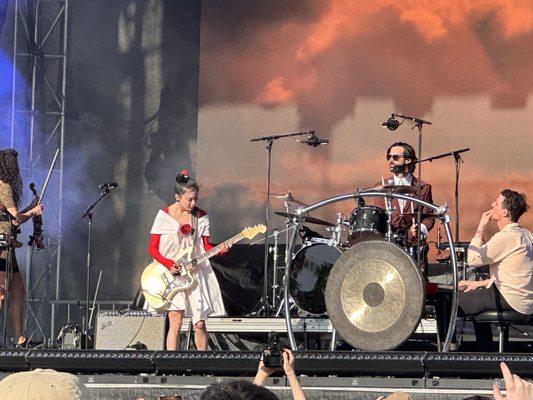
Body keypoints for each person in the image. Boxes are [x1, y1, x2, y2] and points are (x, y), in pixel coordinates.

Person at [147, 170, 228, 351]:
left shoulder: (201, 216)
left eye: (195, 199)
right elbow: (152, 248)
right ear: (178, 197)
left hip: (195, 271)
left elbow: (205, 247)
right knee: (175, 320)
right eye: (189, 199)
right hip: (172, 273)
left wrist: (220, 250)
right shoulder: (164, 215)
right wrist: (169, 264)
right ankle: (172, 365)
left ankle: (203, 365)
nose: (193, 203)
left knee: (199, 323)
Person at [458, 189, 532, 351]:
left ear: (505, 212)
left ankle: (447, 351)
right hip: (523, 300)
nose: (492, 204)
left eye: (496, 203)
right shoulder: (527, 235)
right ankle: (485, 350)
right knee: (475, 301)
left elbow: (473, 259)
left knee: (450, 303)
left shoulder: (505, 237)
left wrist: (480, 227)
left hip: (509, 298)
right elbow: (516, 273)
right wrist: (480, 283)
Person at [0, 148, 43, 347]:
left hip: (8, 245)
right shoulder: (4, 186)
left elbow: (14, 218)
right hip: (1, 245)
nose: (18, 168)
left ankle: (19, 339)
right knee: (0, 293)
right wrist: (33, 211)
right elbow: (16, 220)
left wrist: (31, 208)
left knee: (18, 291)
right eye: (15, 164)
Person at [373, 142, 435, 269]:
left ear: (408, 160)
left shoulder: (423, 187)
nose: (390, 160)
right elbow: (378, 217)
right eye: (388, 157)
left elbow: (429, 216)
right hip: (390, 248)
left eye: (395, 157)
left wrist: (420, 229)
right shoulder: (381, 187)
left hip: (414, 248)